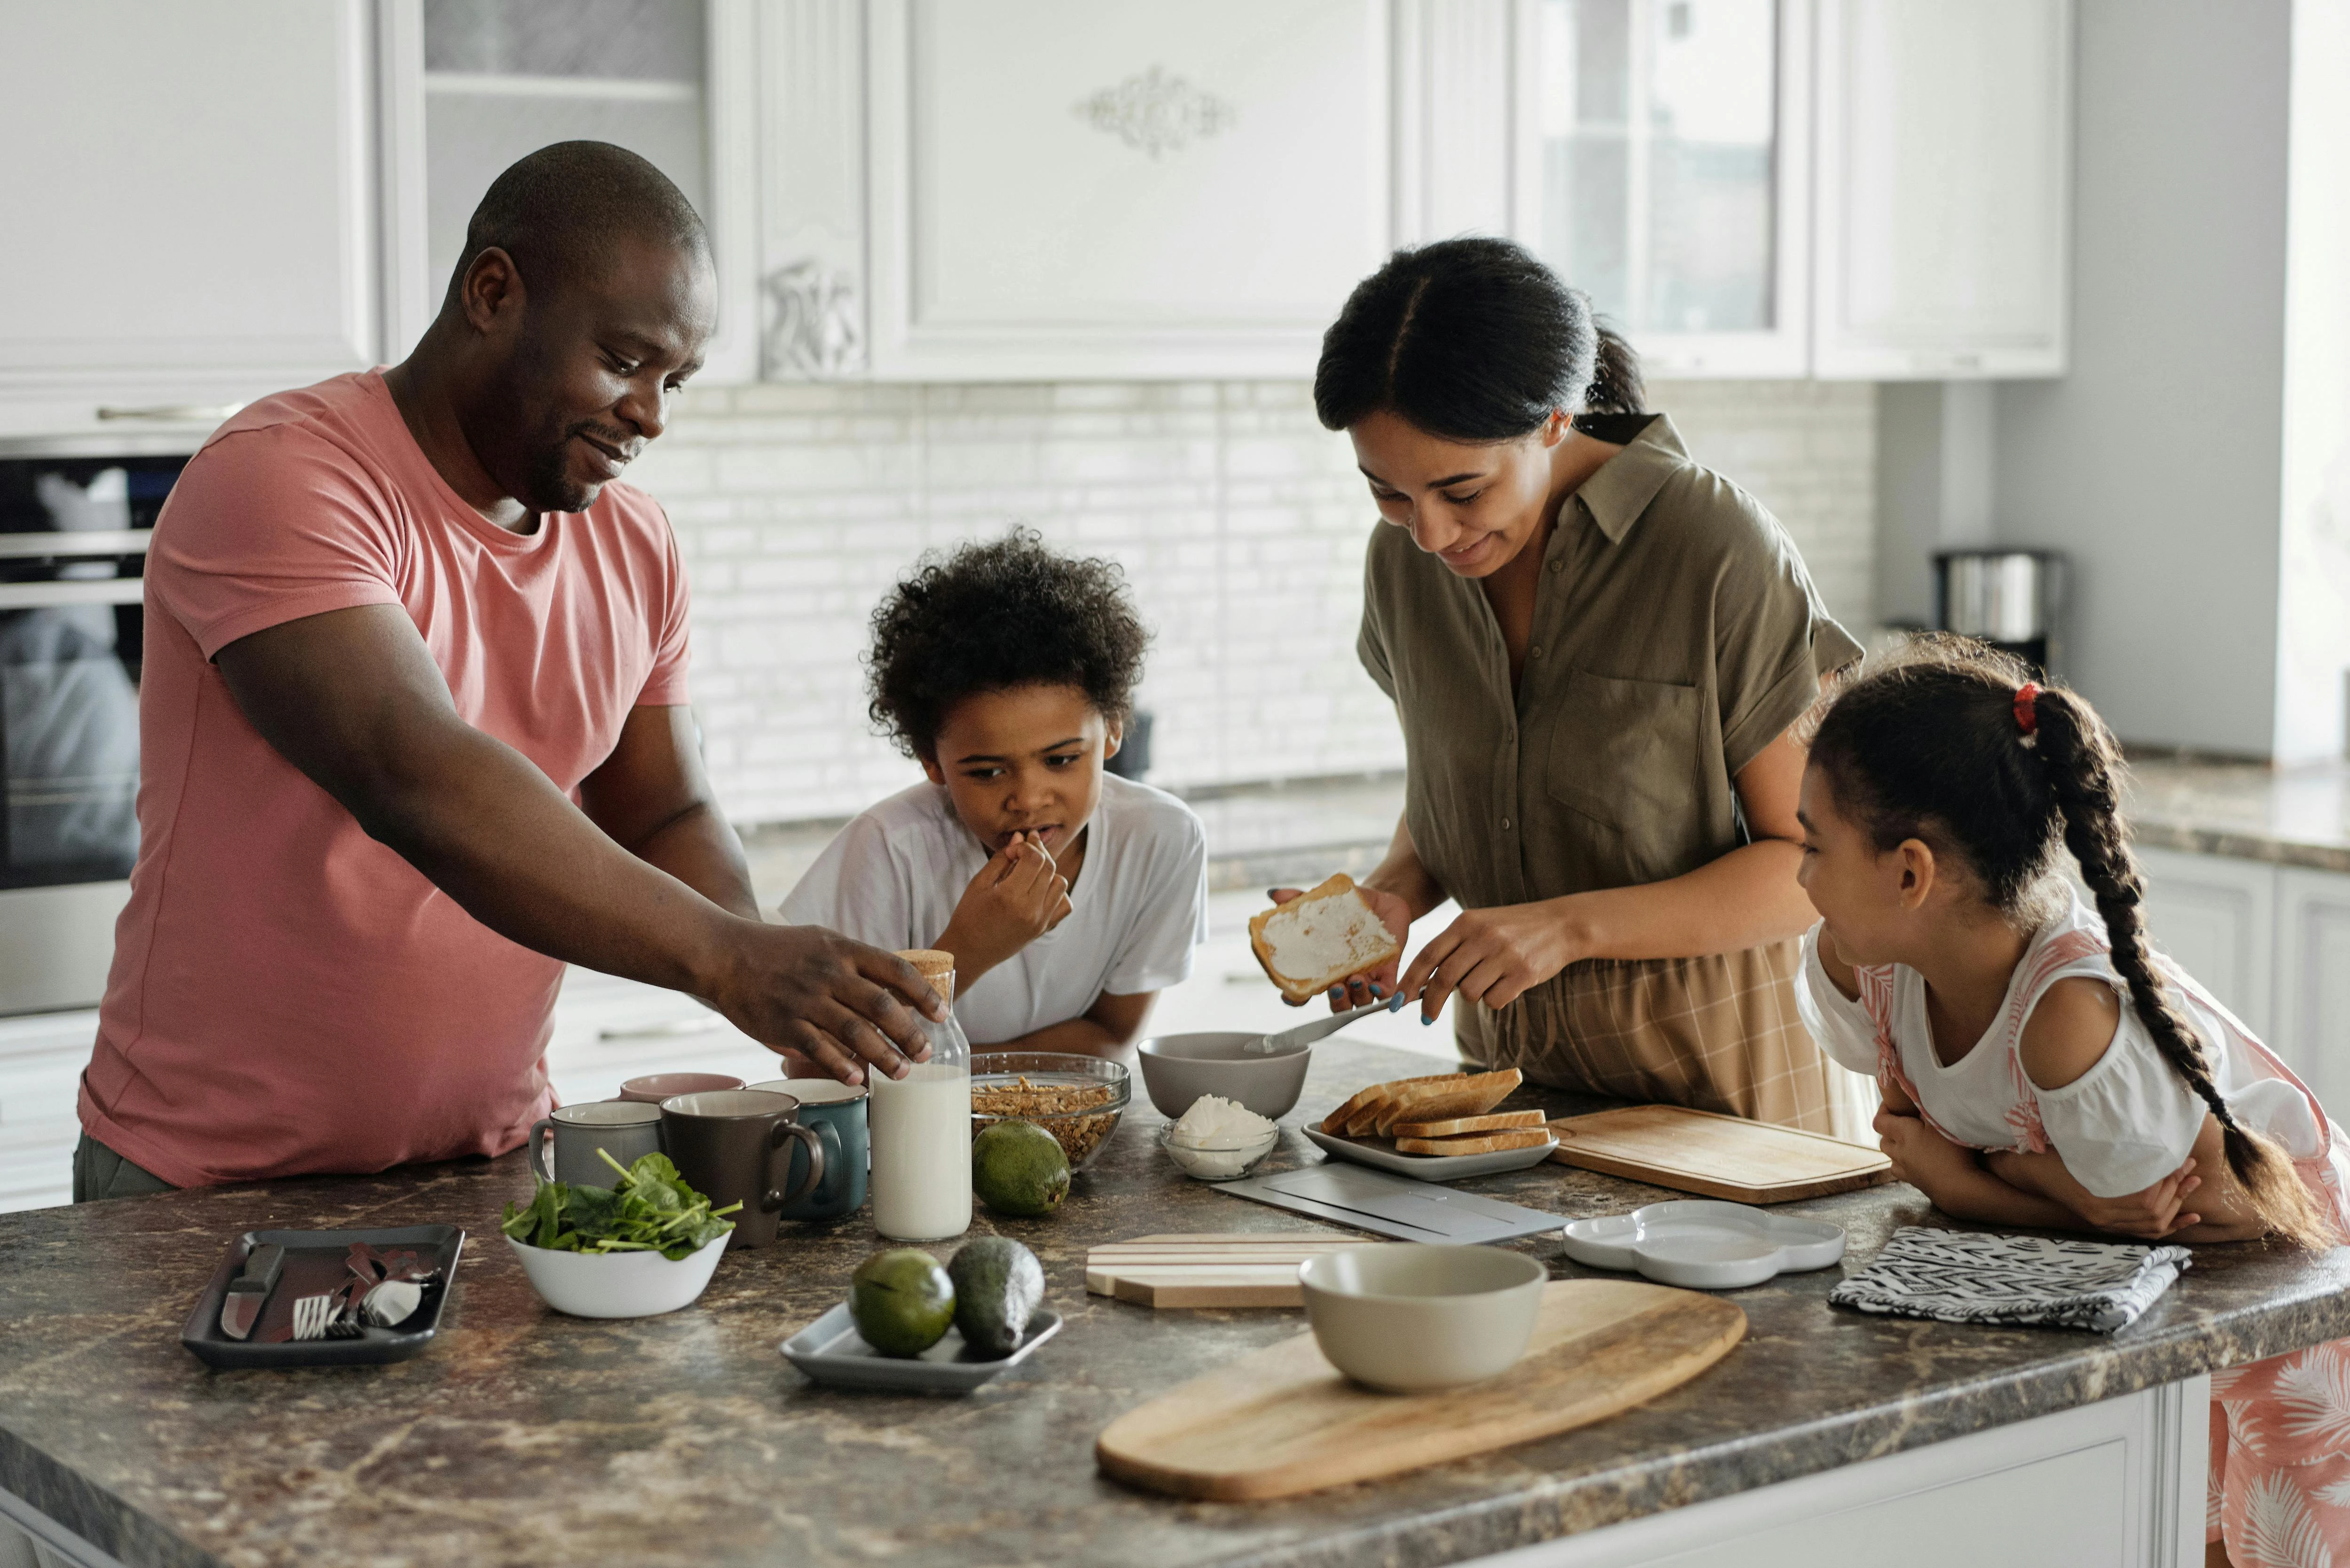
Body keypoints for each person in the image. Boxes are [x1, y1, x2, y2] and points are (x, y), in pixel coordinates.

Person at [74, 142, 941, 1201]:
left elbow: (664, 808)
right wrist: (728, 959)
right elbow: (416, 775)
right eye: (625, 361)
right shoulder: (282, 476)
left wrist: (777, 983)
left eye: (676, 380)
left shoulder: (634, 543)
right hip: (209, 1181)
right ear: (493, 292)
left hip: (489, 1163)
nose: (652, 415)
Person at [1286, 236, 1866, 1134]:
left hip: (1732, 1112)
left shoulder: (1712, 546)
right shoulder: (1401, 567)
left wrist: (1568, 928)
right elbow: (1469, 790)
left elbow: (1814, 867)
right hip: (1510, 1108)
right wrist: (1393, 894)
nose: (1432, 534)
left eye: (1462, 491)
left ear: (1556, 420)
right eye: (1389, 495)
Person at [1792, 637, 2350, 1567]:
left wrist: (1975, 1186)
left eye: (1814, 844)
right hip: (2144, 1290)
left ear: (1909, 873)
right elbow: (2097, 1212)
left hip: (2276, 1286)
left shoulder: (2066, 1017)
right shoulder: (1867, 963)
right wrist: (2048, 1187)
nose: (1799, 873)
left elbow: (2177, 1219)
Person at [782, 530, 1207, 1057]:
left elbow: (1110, 1036)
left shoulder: (1162, 839)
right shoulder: (889, 850)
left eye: (1061, 760)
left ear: (1114, 730)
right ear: (931, 759)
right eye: (986, 772)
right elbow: (810, 1064)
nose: (1028, 799)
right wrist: (967, 950)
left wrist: (957, 1073)